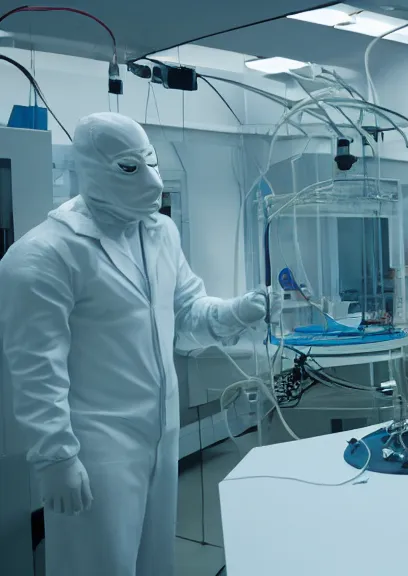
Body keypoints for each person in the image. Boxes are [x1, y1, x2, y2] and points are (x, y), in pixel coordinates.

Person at [0, 112, 280, 576]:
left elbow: (186, 314)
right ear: (88, 168)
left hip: (161, 433)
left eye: (152, 162)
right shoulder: (44, 255)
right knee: (97, 566)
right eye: (130, 167)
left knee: (155, 563)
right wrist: (56, 456)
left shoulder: (159, 233)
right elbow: (35, 367)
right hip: (96, 447)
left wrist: (239, 310)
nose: (153, 181)